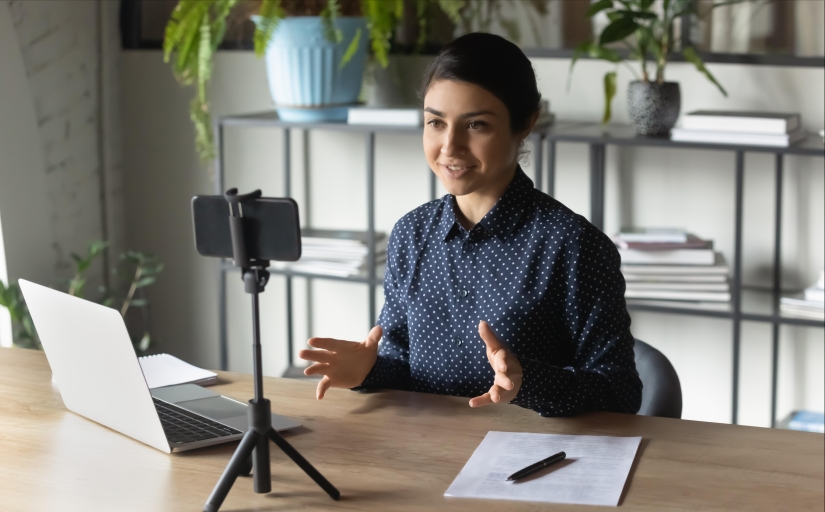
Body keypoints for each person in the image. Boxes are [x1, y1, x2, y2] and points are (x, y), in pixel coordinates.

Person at [298, 32, 642, 417]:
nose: (450, 147)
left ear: (525, 123)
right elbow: (400, 366)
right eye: (435, 123)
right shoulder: (411, 234)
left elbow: (619, 393)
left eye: (476, 125)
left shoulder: (572, 244)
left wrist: (527, 381)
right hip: (427, 450)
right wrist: (367, 370)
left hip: (534, 458)